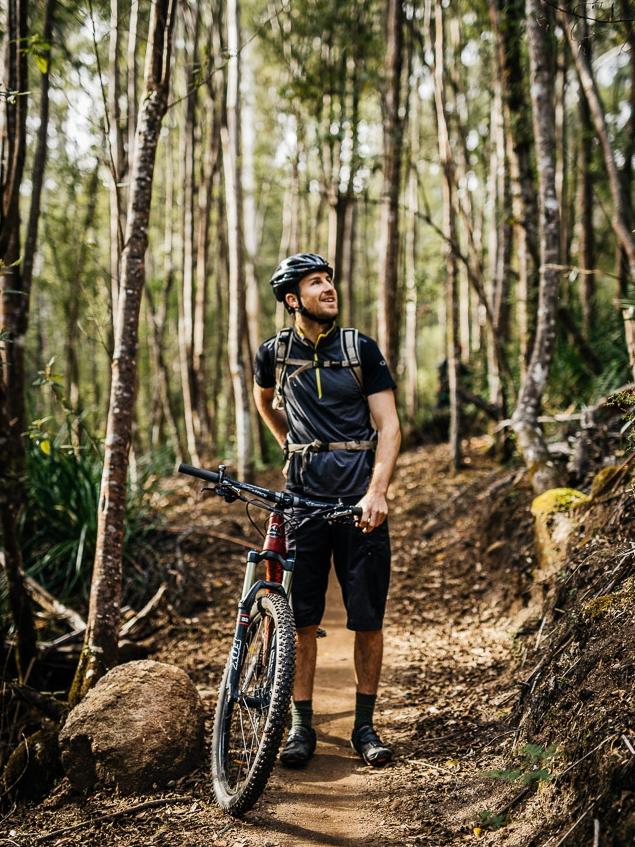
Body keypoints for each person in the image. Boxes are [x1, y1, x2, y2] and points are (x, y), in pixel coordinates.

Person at [253, 252, 401, 769]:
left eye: (329, 281)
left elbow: (389, 426)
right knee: (301, 618)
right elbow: (264, 401)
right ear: (292, 298)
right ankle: (300, 727)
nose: (328, 289)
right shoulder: (273, 352)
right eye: (316, 283)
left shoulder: (359, 348)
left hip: (361, 501)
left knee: (367, 617)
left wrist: (377, 490)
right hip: (302, 502)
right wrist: (290, 446)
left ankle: (365, 726)